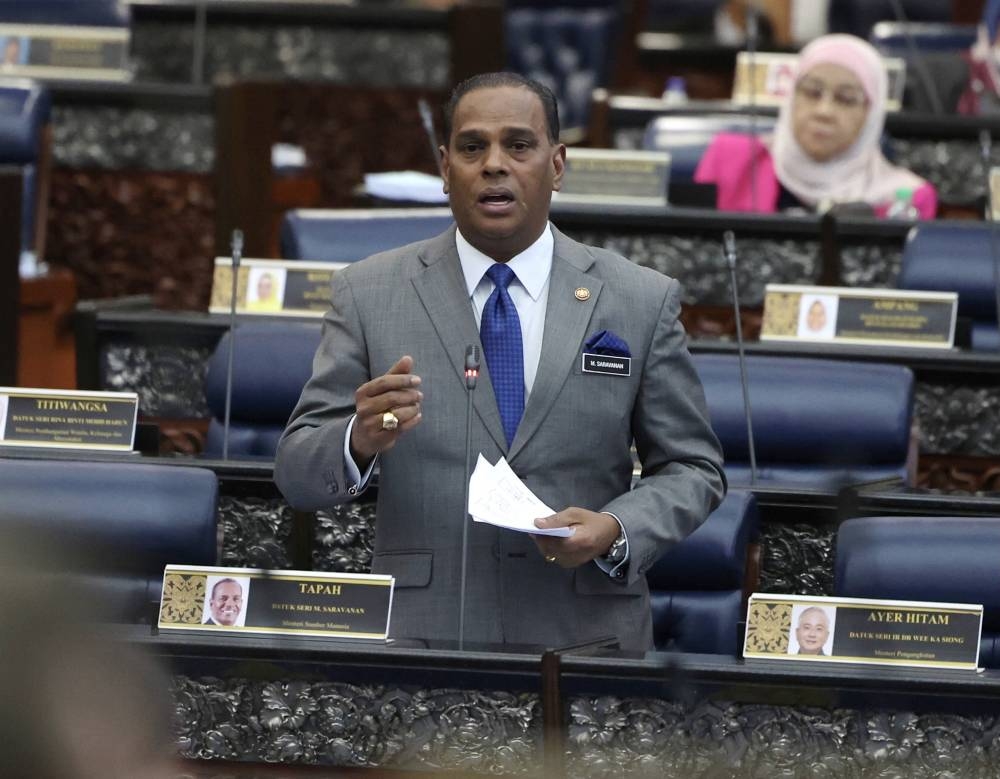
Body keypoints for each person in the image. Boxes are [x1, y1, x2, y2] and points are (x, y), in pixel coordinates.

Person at [274, 72, 726, 650]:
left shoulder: (639, 298)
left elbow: (694, 469)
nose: (494, 165)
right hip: (423, 640)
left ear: (557, 165)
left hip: (584, 642)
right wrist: (355, 440)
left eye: (518, 145)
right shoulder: (368, 293)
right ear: (444, 168)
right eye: (471, 147)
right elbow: (296, 473)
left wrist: (616, 528)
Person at [695, 34, 937, 219]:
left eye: (846, 99)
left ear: (871, 114)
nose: (824, 111)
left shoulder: (907, 198)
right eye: (812, 92)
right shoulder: (729, 158)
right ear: (791, 96)